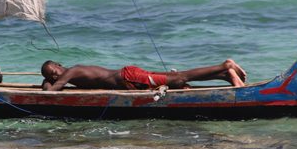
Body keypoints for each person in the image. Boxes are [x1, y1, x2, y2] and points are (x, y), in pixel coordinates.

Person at [40, 59, 246, 91]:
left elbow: (51, 93)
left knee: (180, 78)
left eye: (53, 73)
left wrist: (46, 83)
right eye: (52, 75)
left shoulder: (71, 72)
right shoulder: (72, 73)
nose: (56, 76)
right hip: (129, 77)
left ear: (59, 67)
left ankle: (224, 64)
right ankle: (225, 76)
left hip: (128, 78)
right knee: (176, 83)